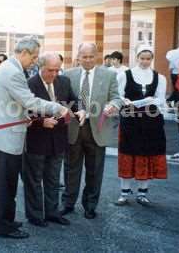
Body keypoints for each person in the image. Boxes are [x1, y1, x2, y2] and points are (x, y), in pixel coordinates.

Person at [0, 36, 69, 239]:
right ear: (23, 53)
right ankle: (4, 227)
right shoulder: (13, 72)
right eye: (33, 57)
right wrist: (58, 108)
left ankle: (6, 220)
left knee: (8, 183)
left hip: (7, 135)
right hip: (6, 138)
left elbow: (15, 103)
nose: (34, 61)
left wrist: (24, 117)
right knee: (6, 185)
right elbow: (29, 101)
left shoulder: (9, 68)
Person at [61, 43, 122, 220]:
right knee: (71, 169)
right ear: (78, 56)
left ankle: (90, 205)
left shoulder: (109, 75)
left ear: (97, 56)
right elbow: (62, 99)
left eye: (91, 56)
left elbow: (117, 98)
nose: (87, 60)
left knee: (94, 170)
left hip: (97, 128)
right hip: (74, 127)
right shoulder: (68, 75)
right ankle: (68, 204)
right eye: (84, 56)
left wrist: (113, 105)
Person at [23, 53, 78, 228]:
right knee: (34, 180)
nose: (54, 74)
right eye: (50, 70)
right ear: (40, 67)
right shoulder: (28, 85)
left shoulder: (64, 82)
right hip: (36, 140)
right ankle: (35, 215)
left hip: (58, 139)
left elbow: (74, 102)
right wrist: (41, 121)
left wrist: (81, 110)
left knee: (53, 179)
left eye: (57, 70)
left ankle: (53, 213)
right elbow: (22, 112)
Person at [115, 49, 168, 206]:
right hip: (130, 120)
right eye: (142, 58)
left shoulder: (160, 77)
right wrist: (127, 102)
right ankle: (124, 192)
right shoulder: (125, 75)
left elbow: (161, 98)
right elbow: (118, 95)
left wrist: (151, 101)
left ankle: (142, 193)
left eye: (148, 58)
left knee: (147, 154)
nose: (145, 61)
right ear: (136, 57)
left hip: (151, 122)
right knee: (128, 153)